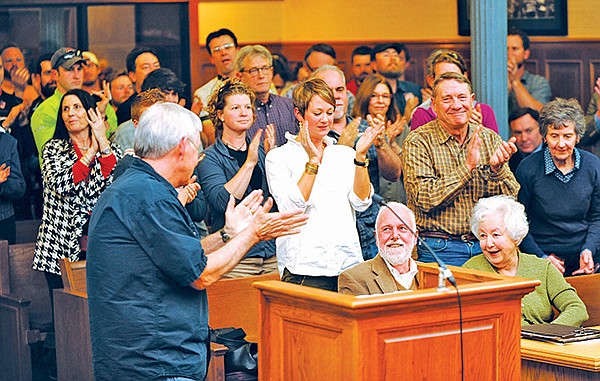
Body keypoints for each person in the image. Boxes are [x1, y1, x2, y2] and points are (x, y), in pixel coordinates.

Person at [86, 102, 307, 380]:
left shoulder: (137, 187)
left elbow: (179, 257)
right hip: (154, 362)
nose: (199, 157)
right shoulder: (149, 196)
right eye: (197, 148)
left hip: (145, 359)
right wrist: (254, 234)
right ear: (182, 147)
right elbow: (200, 274)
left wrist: (229, 234)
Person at [266, 77, 383, 291]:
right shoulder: (278, 157)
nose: (325, 120)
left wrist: (360, 157)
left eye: (330, 112)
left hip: (348, 264)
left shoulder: (344, 154)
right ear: (299, 114)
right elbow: (293, 207)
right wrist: (312, 161)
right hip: (304, 268)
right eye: (317, 113)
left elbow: (362, 202)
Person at [402, 72, 520, 267]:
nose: (456, 105)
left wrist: (497, 170)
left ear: (472, 101)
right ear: (434, 105)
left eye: (462, 97)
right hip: (439, 248)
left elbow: (511, 199)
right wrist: (467, 168)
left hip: (486, 247)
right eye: (447, 99)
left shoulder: (489, 138)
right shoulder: (418, 141)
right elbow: (424, 198)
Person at [31, 88, 121, 317]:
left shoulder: (111, 149)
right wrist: (91, 152)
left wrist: (102, 142)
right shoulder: (53, 149)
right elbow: (61, 184)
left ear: (91, 113)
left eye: (77, 107)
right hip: (60, 245)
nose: (70, 113)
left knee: (103, 313)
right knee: (67, 318)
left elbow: (116, 184)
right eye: (65, 109)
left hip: (102, 243)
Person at [464, 195, 588, 326]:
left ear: (516, 237)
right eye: (483, 235)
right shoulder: (470, 272)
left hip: (542, 344)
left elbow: (577, 308)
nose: (488, 243)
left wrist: (550, 332)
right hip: (497, 343)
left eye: (496, 235)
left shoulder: (542, 268)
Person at [197, 79, 278, 277]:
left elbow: (279, 200)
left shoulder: (262, 150)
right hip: (237, 255)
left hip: (271, 251)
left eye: (247, 107)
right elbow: (221, 202)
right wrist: (249, 163)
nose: (244, 113)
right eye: (235, 108)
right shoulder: (209, 158)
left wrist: (274, 159)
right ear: (220, 115)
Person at [516, 98, 600, 276]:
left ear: (577, 137)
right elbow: (518, 222)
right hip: (540, 255)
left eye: (567, 136)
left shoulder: (592, 165)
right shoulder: (528, 169)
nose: (561, 144)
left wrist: (588, 250)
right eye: (554, 136)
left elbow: (597, 216)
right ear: (545, 137)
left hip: (584, 256)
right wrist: (541, 257)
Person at [31, 47, 117, 164]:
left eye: (80, 69)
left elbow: (112, 146)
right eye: (70, 69)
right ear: (55, 74)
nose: (77, 75)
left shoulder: (103, 105)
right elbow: (53, 158)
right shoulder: (43, 112)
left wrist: (101, 115)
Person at [338, 202, 419, 295]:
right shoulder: (354, 278)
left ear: (415, 237)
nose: (395, 236)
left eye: (402, 228)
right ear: (376, 237)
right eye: (387, 229)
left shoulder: (432, 273)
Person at [411, 49, 499, 134]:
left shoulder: (485, 111)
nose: (450, 83)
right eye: (443, 78)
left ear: (465, 77)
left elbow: (494, 147)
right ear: (431, 80)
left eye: (456, 77)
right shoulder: (422, 114)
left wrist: (478, 130)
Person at [235, 45, 297, 147]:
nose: (261, 76)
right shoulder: (237, 112)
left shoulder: (289, 106)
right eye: (254, 70)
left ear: (271, 71)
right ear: (239, 76)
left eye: (265, 68)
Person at [193, 28, 239, 145]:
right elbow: (211, 137)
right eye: (217, 50)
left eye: (228, 47)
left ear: (237, 51)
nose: (223, 52)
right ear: (211, 59)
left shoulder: (254, 83)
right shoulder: (203, 93)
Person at [371, 43, 421, 120]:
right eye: (386, 55)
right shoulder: (368, 91)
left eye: (395, 55)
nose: (393, 58)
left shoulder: (414, 90)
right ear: (374, 65)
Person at [507, 27, 552, 114]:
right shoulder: (492, 83)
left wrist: (515, 82)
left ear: (526, 54)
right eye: (506, 49)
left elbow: (539, 114)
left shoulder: (538, 82)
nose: (509, 54)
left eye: (514, 49)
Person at [115, 46, 160, 124]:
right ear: (133, 76)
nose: (154, 71)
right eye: (146, 67)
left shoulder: (172, 99)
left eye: (156, 66)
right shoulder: (126, 110)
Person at [508, 107, 543, 173]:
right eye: (518, 133)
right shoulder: (510, 157)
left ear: (541, 129)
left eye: (529, 131)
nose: (524, 138)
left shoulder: (554, 151)